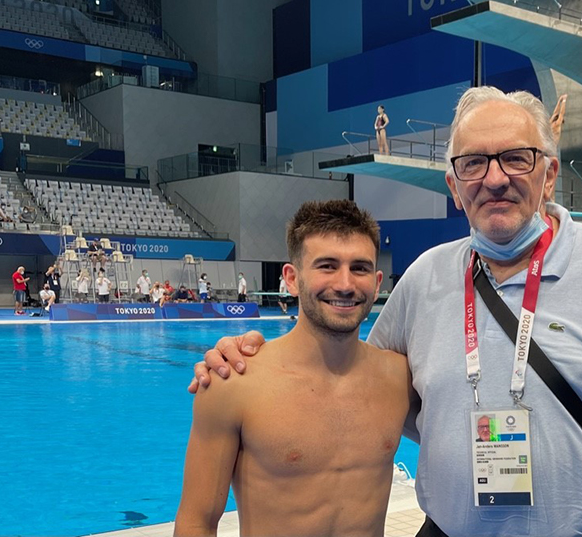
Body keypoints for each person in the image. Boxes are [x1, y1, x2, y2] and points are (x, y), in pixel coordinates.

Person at [191, 87, 582, 537]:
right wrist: (246, 355)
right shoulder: (425, 278)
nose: (494, 178)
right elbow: (355, 377)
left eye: (516, 158)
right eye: (473, 164)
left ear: (549, 174)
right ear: (454, 188)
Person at [174, 200, 412, 537]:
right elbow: (196, 522)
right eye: (327, 266)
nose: (345, 284)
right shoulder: (234, 383)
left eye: (359, 268)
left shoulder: (400, 378)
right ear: (292, 278)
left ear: (376, 283)